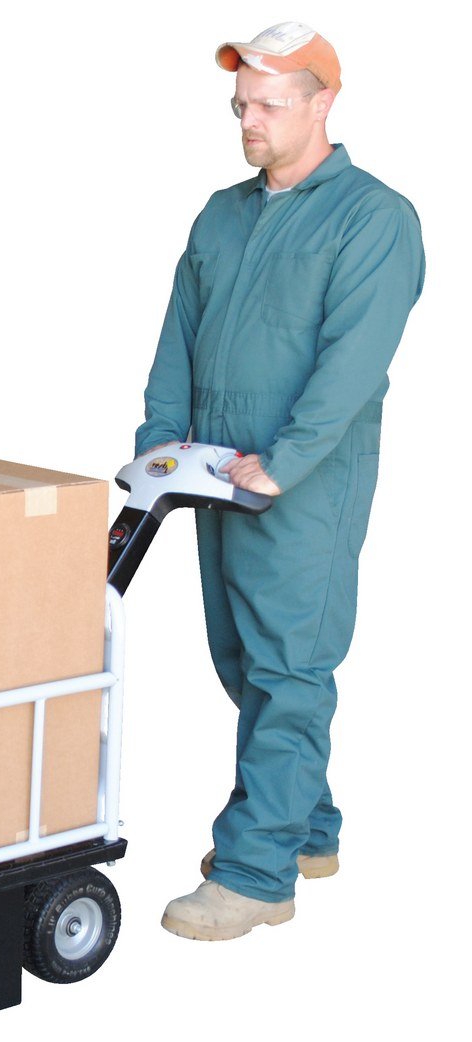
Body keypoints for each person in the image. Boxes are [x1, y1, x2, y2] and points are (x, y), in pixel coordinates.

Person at [134, 22, 425, 940]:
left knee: (289, 668)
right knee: (241, 660)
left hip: (304, 482)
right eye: (240, 106)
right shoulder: (221, 214)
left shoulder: (373, 217)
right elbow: (179, 334)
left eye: (268, 105)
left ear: (323, 101)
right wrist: (159, 444)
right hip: (215, 470)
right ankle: (308, 827)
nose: (248, 121)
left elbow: (354, 362)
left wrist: (288, 459)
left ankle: (257, 874)